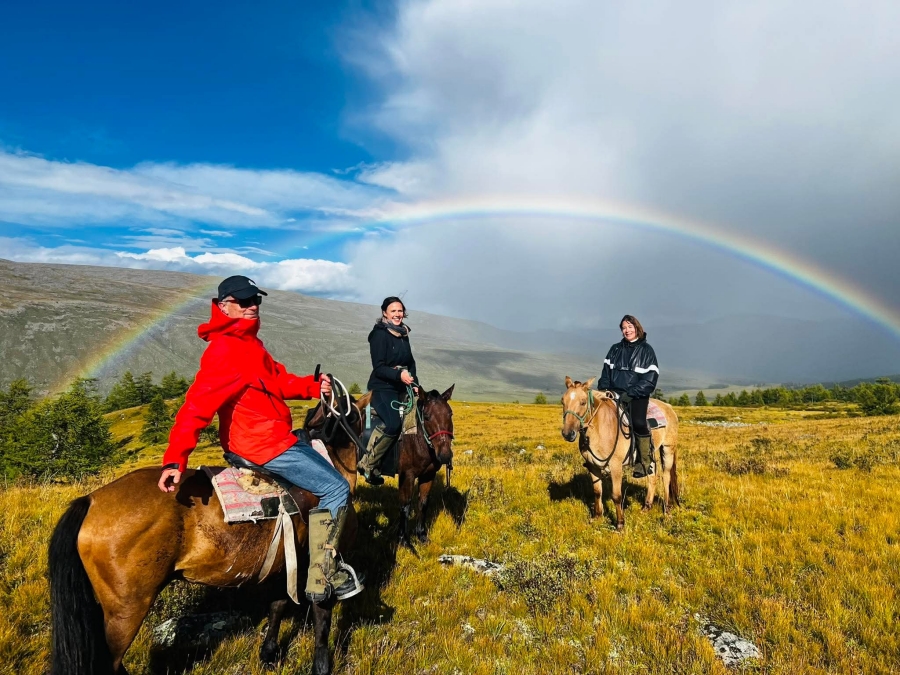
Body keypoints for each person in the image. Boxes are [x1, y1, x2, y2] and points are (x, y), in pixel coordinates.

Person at [157, 275, 363, 603]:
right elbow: (196, 406)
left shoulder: (249, 344)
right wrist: (175, 458)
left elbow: (277, 381)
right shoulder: (224, 351)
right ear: (224, 306)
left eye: (256, 300)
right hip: (263, 444)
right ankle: (324, 575)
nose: (252, 306)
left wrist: (313, 387)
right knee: (336, 487)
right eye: (244, 301)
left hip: (270, 436)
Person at [357, 296, 417, 485]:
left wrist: (414, 384)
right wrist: (399, 376)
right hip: (382, 388)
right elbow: (379, 367)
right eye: (393, 311)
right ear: (385, 313)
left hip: (403, 386)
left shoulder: (403, 333)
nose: (398, 314)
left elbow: (411, 362)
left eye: (400, 311)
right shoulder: (379, 335)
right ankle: (368, 464)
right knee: (393, 423)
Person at [598, 314, 660, 478]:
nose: (627, 330)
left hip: (637, 395)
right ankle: (598, 459)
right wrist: (604, 389)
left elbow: (650, 380)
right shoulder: (615, 349)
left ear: (637, 328)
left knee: (638, 422)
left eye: (630, 327)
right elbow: (605, 373)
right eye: (624, 328)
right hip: (613, 394)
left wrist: (630, 393)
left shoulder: (647, 351)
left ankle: (644, 462)